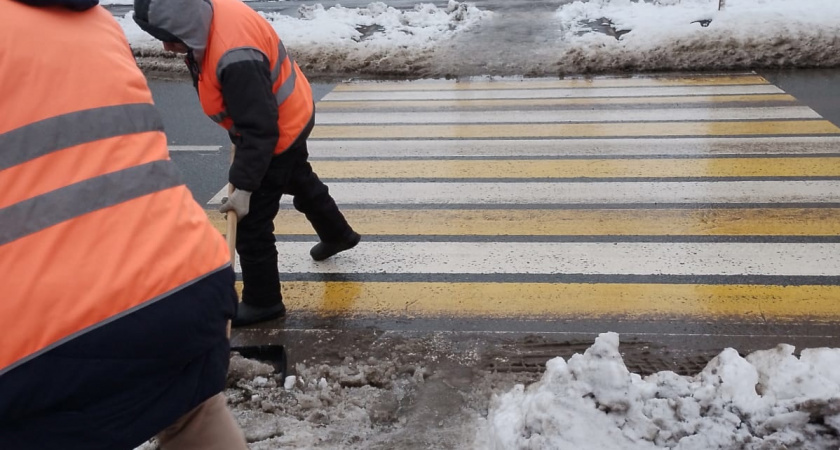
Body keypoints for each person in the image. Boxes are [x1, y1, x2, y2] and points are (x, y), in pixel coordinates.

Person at [0, 0, 248, 448]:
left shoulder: (233, 47)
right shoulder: (95, 22)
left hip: (39, 342)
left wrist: (249, 177)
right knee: (193, 412)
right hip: (184, 289)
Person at [132, 0, 362, 328]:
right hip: (290, 108)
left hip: (277, 129)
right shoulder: (209, 15)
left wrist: (244, 189)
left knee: (251, 224)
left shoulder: (234, 57)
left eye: (170, 37)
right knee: (297, 176)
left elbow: (261, 129)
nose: (166, 46)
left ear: (186, 24)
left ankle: (263, 301)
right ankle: (338, 233)